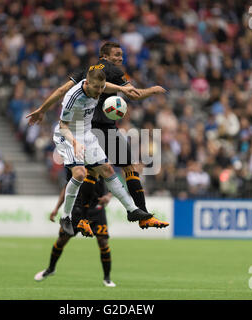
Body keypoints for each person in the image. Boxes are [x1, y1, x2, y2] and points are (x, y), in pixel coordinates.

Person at [27, 41, 169, 232]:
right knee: (107, 170)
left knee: (99, 172)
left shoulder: (87, 74)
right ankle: (75, 217)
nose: (120, 58)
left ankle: (121, 212)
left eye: (121, 55)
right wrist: (151, 90)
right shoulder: (110, 74)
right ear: (104, 56)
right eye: (117, 54)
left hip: (89, 129)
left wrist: (42, 109)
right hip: (84, 131)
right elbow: (134, 95)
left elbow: (67, 89)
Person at [54, 68, 157, 235]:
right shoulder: (72, 97)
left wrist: (123, 89)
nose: (100, 91)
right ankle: (66, 217)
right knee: (80, 174)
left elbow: (106, 85)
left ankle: (132, 210)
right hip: (68, 135)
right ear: (87, 84)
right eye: (97, 88)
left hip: (86, 134)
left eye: (102, 88)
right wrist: (75, 144)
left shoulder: (98, 87)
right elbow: (62, 125)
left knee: (108, 170)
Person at [34, 169, 117, 287]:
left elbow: (114, 182)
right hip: (77, 209)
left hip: (96, 209)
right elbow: (67, 188)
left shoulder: (99, 162)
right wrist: (56, 208)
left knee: (103, 242)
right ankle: (51, 269)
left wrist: (108, 196)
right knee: (62, 240)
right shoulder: (75, 165)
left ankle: (107, 278)